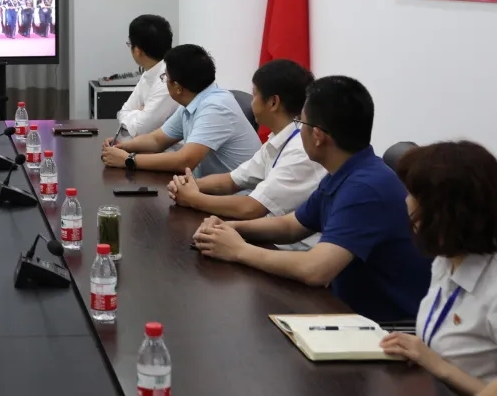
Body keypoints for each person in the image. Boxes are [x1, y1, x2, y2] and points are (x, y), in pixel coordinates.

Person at [192, 76, 432, 322]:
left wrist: (239, 250)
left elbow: (315, 269)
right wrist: (230, 228)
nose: (299, 130)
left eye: (300, 122)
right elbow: (291, 226)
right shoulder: (346, 171)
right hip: (347, 311)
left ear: (317, 135)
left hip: (388, 328)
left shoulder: (366, 187)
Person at [379, 142, 497, 393]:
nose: (407, 203)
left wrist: (438, 365)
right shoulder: (446, 260)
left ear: (445, 212)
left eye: (414, 196)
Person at [168, 60, 326, 247]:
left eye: (255, 95)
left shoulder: (300, 150)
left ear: (273, 102)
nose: (251, 103)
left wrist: (193, 198)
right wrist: (188, 185)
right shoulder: (278, 139)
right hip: (267, 236)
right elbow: (232, 180)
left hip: (292, 250)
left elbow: (251, 208)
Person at [101, 44, 260, 177]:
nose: (164, 81)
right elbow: (157, 140)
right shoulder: (193, 101)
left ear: (178, 87)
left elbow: (185, 161)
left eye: (165, 77)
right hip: (208, 190)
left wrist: (128, 159)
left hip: (237, 197)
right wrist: (122, 146)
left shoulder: (216, 107)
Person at [114, 15, 178, 139]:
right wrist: (141, 113)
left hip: (170, 149)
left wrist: (140, 113)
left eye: (129, 44)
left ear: (138, 50)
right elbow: (123, 112)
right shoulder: (149, 73)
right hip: (148, 145)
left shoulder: (168, 78)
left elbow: (141, 129)